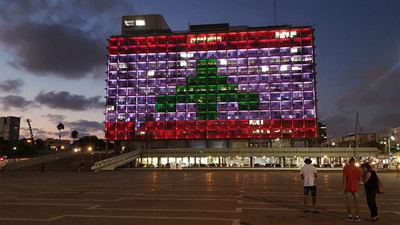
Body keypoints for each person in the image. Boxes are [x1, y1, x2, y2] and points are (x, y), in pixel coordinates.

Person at [343, 157, 363, 222]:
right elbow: (360, 179)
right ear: (354, 162)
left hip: (348, 187)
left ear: (349, 162)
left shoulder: (345, 168)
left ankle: (349, 216)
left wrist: (343, 187)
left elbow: (344, 179)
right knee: (357, 202)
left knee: (349, 202)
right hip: (355, 187)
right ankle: (357, 216)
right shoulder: (357, 169)